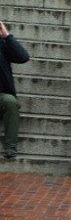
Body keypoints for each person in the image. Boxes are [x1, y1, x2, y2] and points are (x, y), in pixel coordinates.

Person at [0, 19, 30, 159]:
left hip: (1, 95)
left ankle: (10, 147)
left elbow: (23, 57)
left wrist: (6, 35)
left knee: (10, 102)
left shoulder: (3, 44)